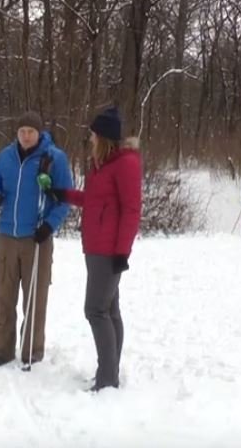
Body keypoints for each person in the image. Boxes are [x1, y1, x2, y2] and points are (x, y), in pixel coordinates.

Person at [47, 107, 142, 391]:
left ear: (103, 137)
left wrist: (122, 252)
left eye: (92, 134)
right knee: (109, 309)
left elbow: (131, 210)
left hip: (108, 250)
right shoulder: (105, 163)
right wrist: (63, 194)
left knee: (96, 310)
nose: (89, 138)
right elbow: (95, 200)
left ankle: (107, 379)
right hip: (97, 246)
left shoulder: (124, 164)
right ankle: (109, 372)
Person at [0, 111, 73, 367]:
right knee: (3, 293)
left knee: (35, 296)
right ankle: (1, 350)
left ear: (39, 133)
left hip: (37, 237)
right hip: (7, 235)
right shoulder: (5, 157)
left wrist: (50, 225)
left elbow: (64, 198)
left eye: (30, 132)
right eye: (22, 131)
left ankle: (31, 351)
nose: (26, 136)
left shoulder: (54, 158)